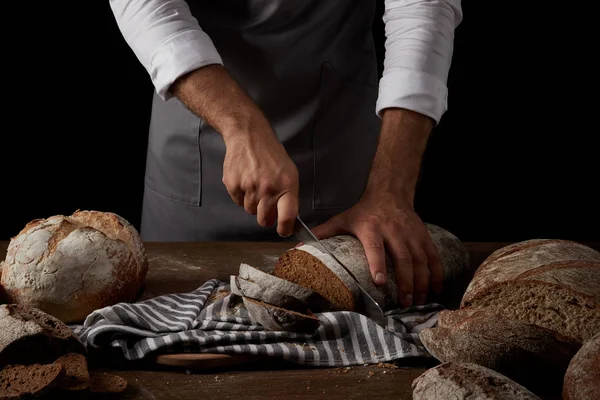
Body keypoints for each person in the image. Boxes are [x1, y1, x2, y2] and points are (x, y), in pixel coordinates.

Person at [109, 0, 463, 309]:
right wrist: (241, 125)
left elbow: (422, 8)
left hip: (337, 144)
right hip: (192, 146)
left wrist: (391, 190)